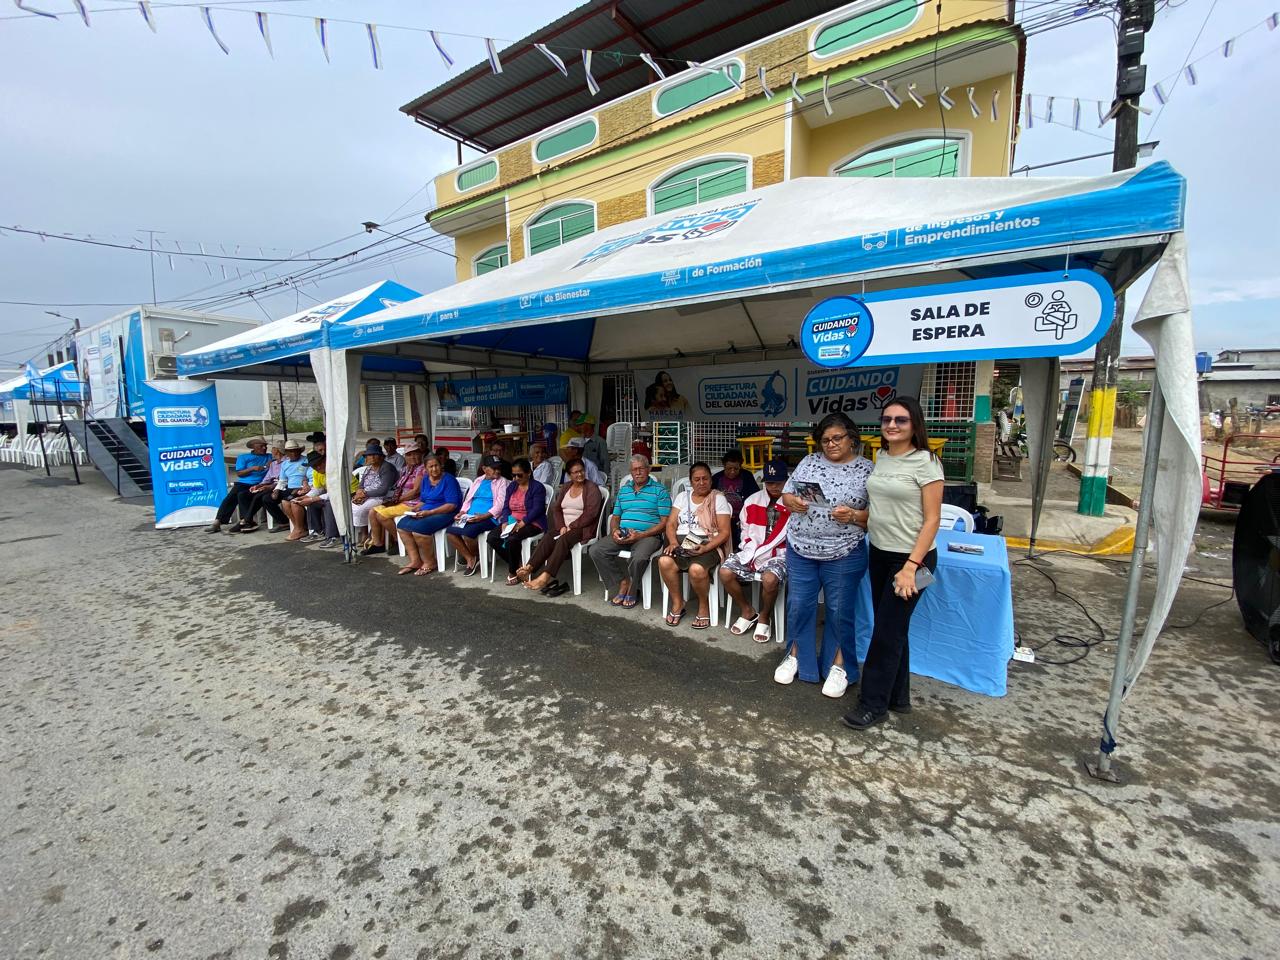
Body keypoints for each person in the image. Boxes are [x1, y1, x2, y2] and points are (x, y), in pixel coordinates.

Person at [843, 397, 944, 730]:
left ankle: (873, 705)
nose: (892, 425)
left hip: (915, 561)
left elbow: (932, 520)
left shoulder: (927, 462)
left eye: (901, 420)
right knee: (893, 628)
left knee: (887, 631)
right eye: (887, 419)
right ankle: (898, 697)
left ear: (915, 424)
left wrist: (911, 567)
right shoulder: (883, 457)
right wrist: (855, 516)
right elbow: (881, 509)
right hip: (881, 553)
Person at [774, 411, 874, 699]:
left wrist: (853, 515)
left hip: (844, 551)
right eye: (825, 440)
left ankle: (840, 666)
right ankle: (795, 656)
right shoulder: (809, 461)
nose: (831, 444)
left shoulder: (867, 470)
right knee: (799, 606)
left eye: (837, 438)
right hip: (801, 547)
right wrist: (792, 501)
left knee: (839, 611)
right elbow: (787, 494)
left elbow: (878, 517)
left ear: (852, 439)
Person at [720, 458, 791, 643]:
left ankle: (765, 616)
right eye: (770, 482)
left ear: (787, 480)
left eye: (779, 482)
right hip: (753, 550)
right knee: (725, 572)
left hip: (781, 554)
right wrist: (750, 547)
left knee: (770, 579)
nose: (774, 487)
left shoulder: (794, 502)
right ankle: (747, 610)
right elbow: (745, 529)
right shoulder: (753, 500)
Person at [657, 462, 732, 629]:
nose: (701, 482)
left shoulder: (718, 499)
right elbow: (671, 524)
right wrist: (673, 542)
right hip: (680, 542)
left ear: (711, 480)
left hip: (708, 542)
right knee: (664, 562)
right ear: (691, 482)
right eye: (697, 479)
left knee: (696, 569)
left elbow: (724, 532)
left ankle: (703, 606)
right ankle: (678, 603)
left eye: (705, 478)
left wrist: (706, 547)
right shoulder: (682, 497)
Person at [590, 454, 670, 608]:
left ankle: (634, 589)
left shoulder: (660, 491)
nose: (638, 472)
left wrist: (641, 535)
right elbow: (616, 517)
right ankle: (622, 582)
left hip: (649, 535)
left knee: (639, 557)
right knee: (596, 550)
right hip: (624, 533)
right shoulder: (624, 490)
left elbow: (665, 522)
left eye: (641, 468)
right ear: (630, 472)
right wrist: (615, 530)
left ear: (648, 469)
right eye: (634, 469)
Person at [517, 459, 603, 597]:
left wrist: (571, 526)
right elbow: (556, 509)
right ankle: (529, 568)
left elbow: (591, 514)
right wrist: (562, 526)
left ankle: (545, 577)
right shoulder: (566, 487)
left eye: (581, 471)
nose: (579, 474)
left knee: (563, 540)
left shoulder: (592, 488)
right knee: (548, 537)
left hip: (582, 528)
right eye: (575, 472)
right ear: (569, 475)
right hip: (564, 527)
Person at [396, 454, 463, 575]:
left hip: (446, 512)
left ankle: (430, 562)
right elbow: (424, 500)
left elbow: (452, 505)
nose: (434, 469)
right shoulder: (425, 479)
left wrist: (430, 512)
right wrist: (415, 509)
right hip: (426, 511)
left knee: (419, 530)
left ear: (441, 466)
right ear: (426, 469)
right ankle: (415, 561)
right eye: (430, 467)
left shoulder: (449, 480)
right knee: (402, 525)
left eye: (436, 465)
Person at [486, 457, 547, 585]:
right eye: (513, 475)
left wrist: (522, 523)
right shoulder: (512, 486)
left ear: (528, 473)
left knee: (513, 538)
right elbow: (506, 507)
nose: (516, 478)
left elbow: (537, 509)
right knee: (492, 538)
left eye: (519, 475)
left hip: (532, 521)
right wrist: (505, 522)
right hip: (512, 520)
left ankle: (513, 572)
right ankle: (518, 565)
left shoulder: (537, 487)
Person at [447, 455, 509, 576]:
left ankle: (474, 556)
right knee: (450, 532)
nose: (497, 471)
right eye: (494, 468)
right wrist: (462, 512)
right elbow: (468, 500)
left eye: (499, 468)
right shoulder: (478, 480)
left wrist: (484, 516)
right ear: (484, 469)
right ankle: (471, 557)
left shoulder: (502, 482)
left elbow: (500, 505)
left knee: (468, 534)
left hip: (490, 518)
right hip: (470, 516)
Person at [361, 442, 426, 555]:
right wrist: (392, 498)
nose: (413, 457)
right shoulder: (405, 469)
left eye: (415, 454)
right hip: (401, 500)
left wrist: (398, 499)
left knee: (382, 515)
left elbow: (416, 491)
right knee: (372, 512)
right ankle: (378, 544)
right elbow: (397, 486)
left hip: (414, 503)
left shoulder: (422, 469)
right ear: (405, 457)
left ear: (421, 454)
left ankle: (400, 542)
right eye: (409, 455)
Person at [207, 436, 272, 533]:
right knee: (232, 496)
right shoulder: (243, 457)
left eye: (265, 446)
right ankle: (218, 521)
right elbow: (239, 473)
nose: (264, 448)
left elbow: (280, 459)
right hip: (244, 483)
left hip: (260, 483)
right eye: (261, 446)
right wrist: (252, 468)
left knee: (242, 496)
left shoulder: (269, 456)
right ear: (253, 446)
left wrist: (271, 462)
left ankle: (245, 521)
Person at [712, 448, 760, 549]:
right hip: (721, 517)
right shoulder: (716, 478)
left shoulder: (747, 477)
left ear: (740, 466)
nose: (732, 471)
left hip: (742, 517)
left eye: (736, 469)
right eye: (729, 468)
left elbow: (755, 497)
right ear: (724, 465)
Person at [351, 443, 399, 543]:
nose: (372, 457)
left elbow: (383, 490)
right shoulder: (369, 468)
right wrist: (359, 492)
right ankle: (363, 531)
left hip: (383, 497)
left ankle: (365, 533)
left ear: (381, 456)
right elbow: (361, 484)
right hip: (367, 495)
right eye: (369, 455)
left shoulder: (387, 467)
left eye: (375, 455)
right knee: (352, 505)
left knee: (360, 509)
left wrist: (365, 494)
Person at [237, 443, 285, 533]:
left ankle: (246, 520)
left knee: (260, 497)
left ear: (277, 451)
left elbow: (283, 480)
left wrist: (268, 486)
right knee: (242, 495)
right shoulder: (273, 463)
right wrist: (259, 485)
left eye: (273, 449)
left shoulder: (286, 462)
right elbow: (267, 477)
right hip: (270, 484)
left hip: (280, 486)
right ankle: (247, 520)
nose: (270, 450)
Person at [295, 453, 333, 544]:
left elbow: (334, 493)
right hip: (330, 495)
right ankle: (317, 532)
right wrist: (306, 497)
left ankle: (333, 536)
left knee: (328, 504)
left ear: (325, 461)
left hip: (348, 494)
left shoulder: (333, 471)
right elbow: (318, 489)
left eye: (319, 464)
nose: (318, 468)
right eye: (314, 466)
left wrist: (312, 499)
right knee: (312, 503)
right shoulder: (316, 472)